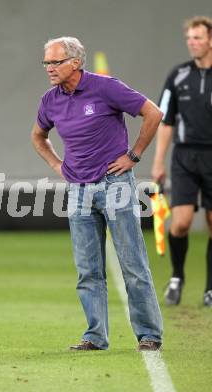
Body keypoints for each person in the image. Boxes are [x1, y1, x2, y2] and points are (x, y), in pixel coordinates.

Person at [31, 37, 163, 351]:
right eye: (46, 63)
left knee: (133, 263)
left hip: (114, 183)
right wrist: (58, 165)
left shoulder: (105, 87)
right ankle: (95, 336)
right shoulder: (50, 100)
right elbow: (38, 136)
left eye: (55, 62)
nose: (49, 68)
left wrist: (134, 155)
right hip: (78, 189)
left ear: (75, 62)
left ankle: (149, 334)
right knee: (87, 268)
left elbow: (153, 113)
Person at [152, 16, 212, 307]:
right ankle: (177, 277)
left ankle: (210, 289)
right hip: (185, 156)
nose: (192, 43)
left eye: (198, 38)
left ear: (210, 40)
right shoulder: (177, 76)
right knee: (181, 223)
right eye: (189, 38)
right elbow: (165, 121)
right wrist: (158, 162)